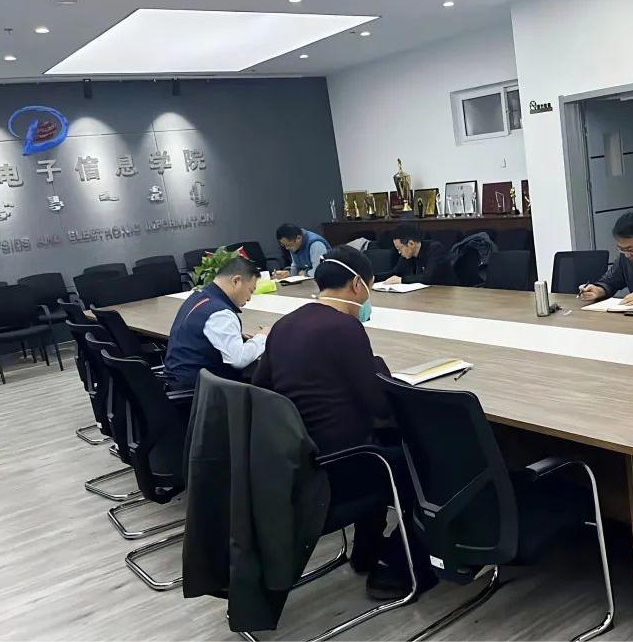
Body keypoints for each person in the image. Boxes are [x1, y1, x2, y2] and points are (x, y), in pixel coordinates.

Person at [251, 246, 431, 600]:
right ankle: (396, 565)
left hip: (297, 460)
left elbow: (259, 388)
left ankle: (367, 552)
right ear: (357, 285)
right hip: (342, 465)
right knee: (420, 462)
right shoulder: (345, 328)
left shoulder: (285, 324)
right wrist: (378, 368)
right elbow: (379, 405)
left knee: (377, 444)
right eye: (370, 287)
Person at [163, 251, 267, 391]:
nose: (249, 298)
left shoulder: (199, 296)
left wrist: (235, 336)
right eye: (250, 290)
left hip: (178, 381)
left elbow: (203, 331)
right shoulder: (220, 313)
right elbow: (238, 360)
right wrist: (263, 337)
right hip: (199, 393)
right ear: (236, 281)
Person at [382, 224, 455, 286]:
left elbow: (428, 277)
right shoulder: (407, 255)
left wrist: (402, 280)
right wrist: (376, 277)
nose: (399, 252)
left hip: (445, 291)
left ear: (411, 244)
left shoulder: (435, 249)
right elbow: (395, 273)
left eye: (399, 248)